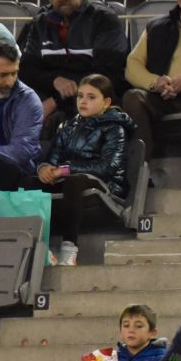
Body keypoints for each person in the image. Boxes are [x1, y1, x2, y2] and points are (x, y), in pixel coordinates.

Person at [34, 74, 133, 267]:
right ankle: (38, 245)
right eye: (80, 96)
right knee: (28, 182)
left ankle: (69, 249)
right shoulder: (68, 127)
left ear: (106, 102)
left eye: (91, 97)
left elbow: (107, 167)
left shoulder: (115, 129)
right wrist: (44, 168)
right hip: (69, 178)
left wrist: (64, 170)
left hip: (107, 185)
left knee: (74, 181)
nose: (83, 101)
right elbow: (52, 158)